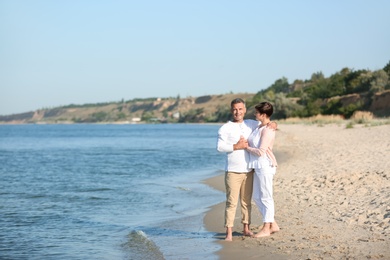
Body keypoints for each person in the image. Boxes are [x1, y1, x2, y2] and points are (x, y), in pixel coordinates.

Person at [217, 98, 276, 241]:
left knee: (246, 202)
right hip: (233, 170)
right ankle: (229, 233)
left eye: (240, 109)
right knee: (232, 202)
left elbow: (266, 122)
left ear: (244, 109)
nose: (237, 112)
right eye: (235, 109)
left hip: (249, 170)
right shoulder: (225, 127)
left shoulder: (251, 124)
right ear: (231, 110)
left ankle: (246, 229)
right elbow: (220, 147)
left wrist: (274, 123)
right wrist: (236, 146)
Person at [246, 101, 280, 238]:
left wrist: (245, 147)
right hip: (257, 166)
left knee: (266, 197)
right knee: (256, 196)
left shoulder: (268, 130)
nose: (255, 114)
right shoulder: (259, 126)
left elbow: (261, 151)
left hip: (265, 165)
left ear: (264, 114)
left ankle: (267, 228)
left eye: (257, 112)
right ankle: (273, 223)